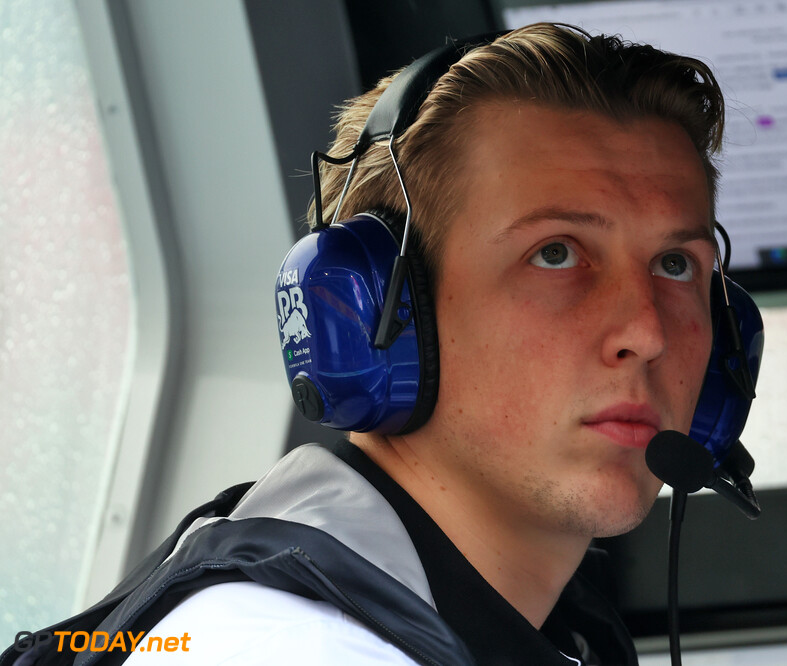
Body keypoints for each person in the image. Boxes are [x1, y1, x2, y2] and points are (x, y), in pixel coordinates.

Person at [6, 22, 730, 666]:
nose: (647, 331)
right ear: (375, 316)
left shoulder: (530, 630)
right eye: (556, 254)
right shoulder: (294, 647)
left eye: (675, 265)